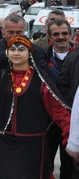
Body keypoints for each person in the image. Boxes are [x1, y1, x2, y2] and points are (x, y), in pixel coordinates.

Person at [0, 36, 71, 178]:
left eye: (21, 49)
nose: (16, 53)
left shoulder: (41, 80)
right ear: (7, 53)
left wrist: (69, 135)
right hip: (3, 141)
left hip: (32, 143)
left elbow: (58, 111)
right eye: (12, 49)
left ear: (30, 53)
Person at [45, 19, 76, 178]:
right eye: (56, 34)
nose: (61, 37)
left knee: (69, 165)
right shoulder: (41, 59)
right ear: (49, 37)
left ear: (70, 34)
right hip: (48, 121)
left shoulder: (77, 57)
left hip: (73, 121)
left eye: (64, 33)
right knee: (46, 162)